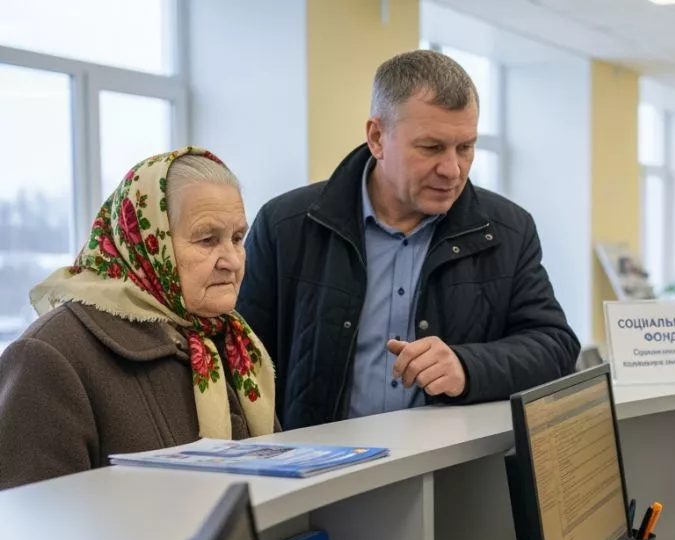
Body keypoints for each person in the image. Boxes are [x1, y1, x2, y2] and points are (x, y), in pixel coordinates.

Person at [237, 50, 579, 430]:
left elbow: (555, 346)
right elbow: (239, 359)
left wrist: (468, 366)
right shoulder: (286, 226)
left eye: (465, 147)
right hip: (316, 476)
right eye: (431, 147)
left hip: (449, 475)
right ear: (377, 137)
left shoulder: (508, 231)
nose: (452, 170)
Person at [0, 148, 277, 490]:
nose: (232, 261)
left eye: (237, 238)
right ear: (146, 242)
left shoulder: (233, 341)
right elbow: (32, 526)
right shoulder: (49, 355)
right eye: (207, 240)